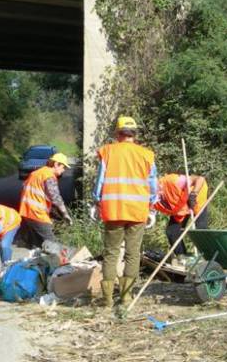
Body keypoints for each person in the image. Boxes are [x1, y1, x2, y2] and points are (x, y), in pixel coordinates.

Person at [92, 115, 158, 308]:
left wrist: (96, 202)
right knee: (132, 254)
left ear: (117, 133)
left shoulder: (108, 152)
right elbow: (153, 186)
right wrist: (152, 209)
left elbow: (100, 182)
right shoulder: (146, 155)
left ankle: (107, 299)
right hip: (137, 212)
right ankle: (127, 297)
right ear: (134, 134)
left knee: (111, 253)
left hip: (113, 211)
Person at [18, 153, 73, 250]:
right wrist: (65, 213)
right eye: (63, 167)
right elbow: (55, 197)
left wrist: (54, 213)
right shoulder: (49, 176)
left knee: (38, 246)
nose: (64, 170)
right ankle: (58, 264)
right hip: (37, 214)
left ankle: (36, 263)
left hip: (27, 212)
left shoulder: (37, 173)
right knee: (52, 245)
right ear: (56, 164)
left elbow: (32, 192)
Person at [153, 173, 209, 259]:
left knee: (201, 229)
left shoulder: (173, 181)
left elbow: (200, 179)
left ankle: (206, 257)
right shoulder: (152, 198)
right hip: (181, 208)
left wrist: (193, 194)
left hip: (196, 198)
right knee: (172, 232)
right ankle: (182, 257)